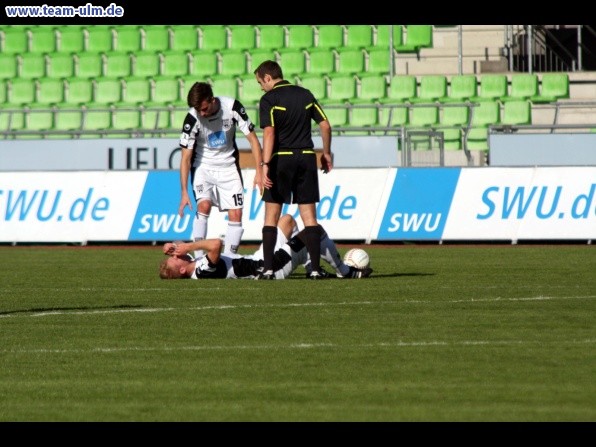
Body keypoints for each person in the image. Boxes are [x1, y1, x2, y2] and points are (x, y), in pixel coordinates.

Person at [253, 60, 334, 280]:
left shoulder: (269, 99)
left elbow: (269, 134)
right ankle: (315, 269)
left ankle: (268, 269)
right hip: (306, 157)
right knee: (309, 217)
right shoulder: (305, 94)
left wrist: (265, 165)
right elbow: (325, 125)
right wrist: (326, 152)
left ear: (268, 78)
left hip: (282, 159)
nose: (261, 87)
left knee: (272, 215)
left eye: (260, 82)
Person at [177, 81, 264, 258]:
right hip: (203, 166)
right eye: (198, 110)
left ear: (212, 100)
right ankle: (200, 259)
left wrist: (259, 171)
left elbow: (253, 140)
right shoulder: (192, 118)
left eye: (204, 109)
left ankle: (230, 259)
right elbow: (185, 158)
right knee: (204, 205)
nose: (202, 113)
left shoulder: (232, 107)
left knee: (236, 212)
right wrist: (184, 192)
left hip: (228, 166)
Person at [159, 214, 373, 280]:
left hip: (258, 258)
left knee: (287, 220)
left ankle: (311, 268)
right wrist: (186, 246)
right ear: (180, 269)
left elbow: (195, 249)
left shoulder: (194, 265)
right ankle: (347, 273)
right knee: (313, 230)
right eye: (175, 257)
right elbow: (215, 244)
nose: (177, 253)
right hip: (270, 268)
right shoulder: (201, 272)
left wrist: (172, 245)